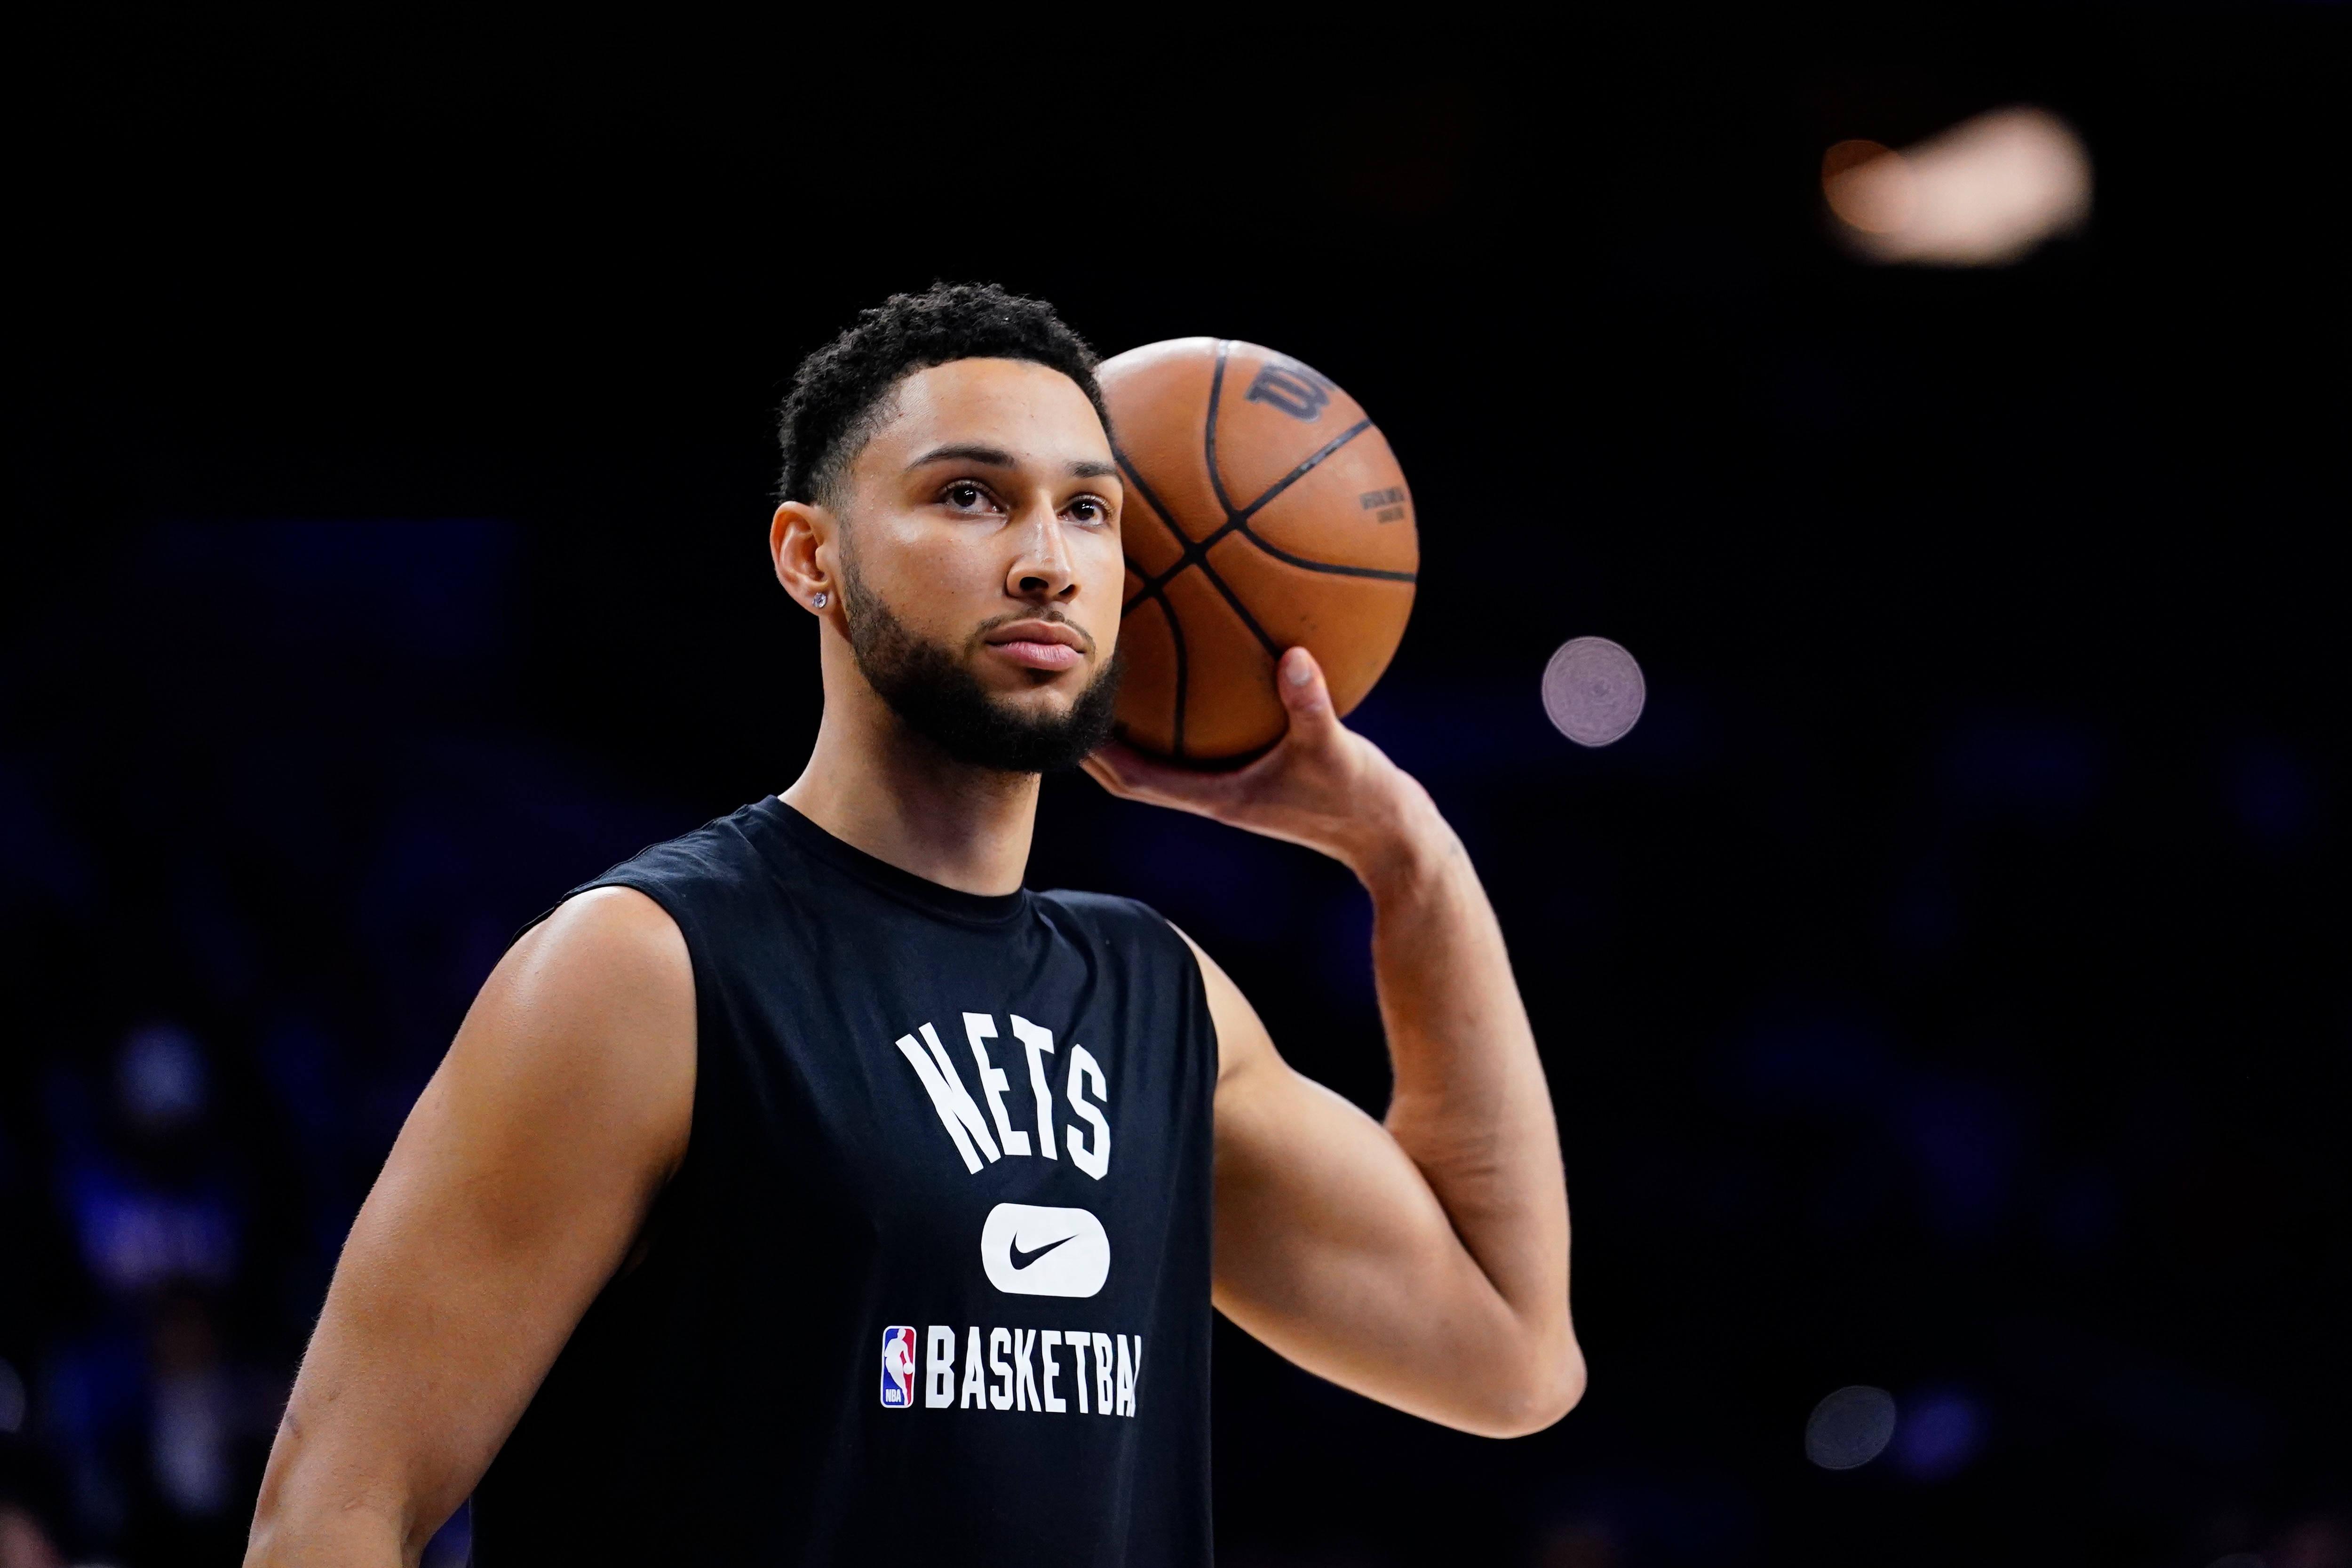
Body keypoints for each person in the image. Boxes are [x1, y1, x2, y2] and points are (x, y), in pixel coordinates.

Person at [243, 283, 1582, 1567]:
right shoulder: (647, 968)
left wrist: (1403, 856)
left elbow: (1511, 1353)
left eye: (1092, 512)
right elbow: (337, 1511)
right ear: (810, 558)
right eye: (969, 496)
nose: (1045, 560)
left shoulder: (1160, 1000)